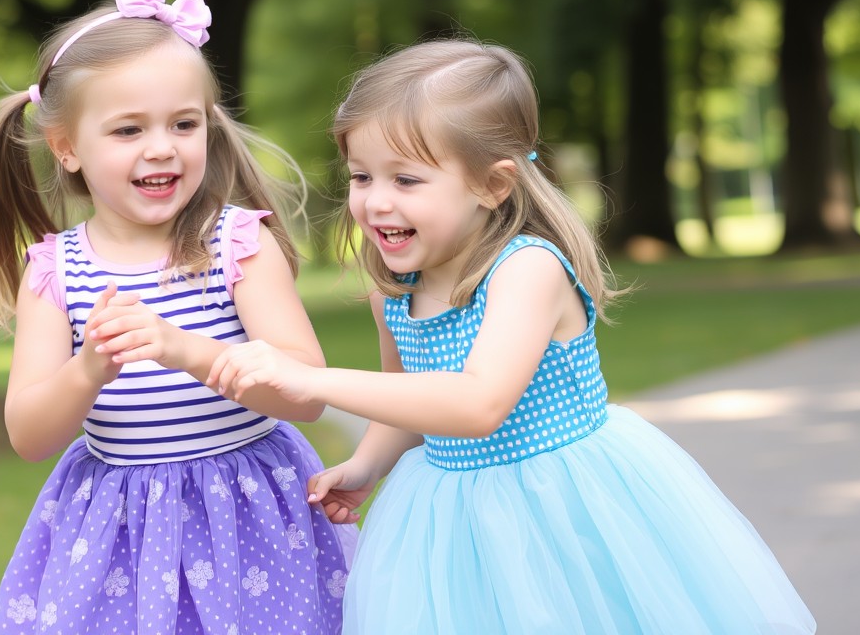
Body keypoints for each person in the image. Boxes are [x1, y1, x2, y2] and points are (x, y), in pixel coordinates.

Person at [208, 38, 815, 633]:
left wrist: (314, 379)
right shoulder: (393, 289)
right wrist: (367, 464)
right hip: (451, 519)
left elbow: (479, 404)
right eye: (362, 176)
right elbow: (408, 400)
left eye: (407, 180)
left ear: (493, 184)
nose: (374, 201)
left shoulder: (527, 269)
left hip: (563, 509)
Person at [0, 0, 353, 635]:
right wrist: (87, 371)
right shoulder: (56, 272)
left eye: (183, 124)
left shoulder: (238, 243)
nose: (162, 147)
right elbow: (29, 435)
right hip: (119, 527)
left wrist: (187, 350)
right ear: (66, 146)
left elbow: (306, 392)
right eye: (128, 129)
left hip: (248, 515)